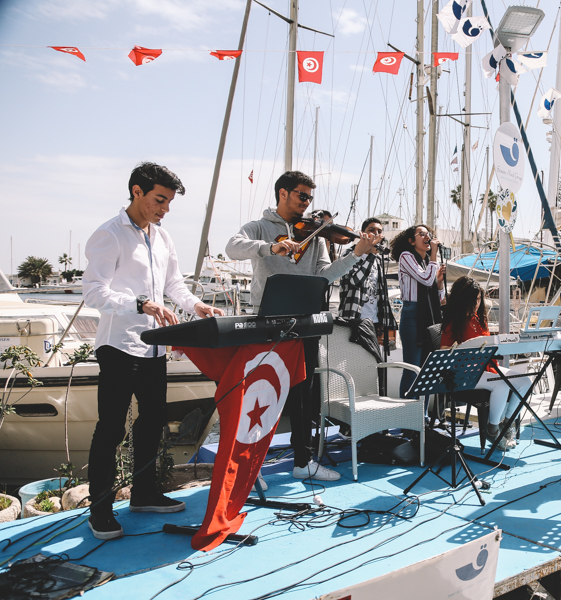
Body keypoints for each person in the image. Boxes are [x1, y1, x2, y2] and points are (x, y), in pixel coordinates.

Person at [83, 162, 224, 540]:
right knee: (111, 428)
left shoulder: (162, 238)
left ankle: (144, 494)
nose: (165, 209)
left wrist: (197, 306)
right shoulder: (109, 234)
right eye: (159, 200)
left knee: (152, 422)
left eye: (169, 202)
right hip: (118, 346)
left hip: (153, 347)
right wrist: (140, 303)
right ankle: (100, 510)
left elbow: (175, 285)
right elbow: (93, 292)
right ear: (137, 191)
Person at [226, 171, 380, 482]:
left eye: (310, 197)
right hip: (269, 319)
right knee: (262, 391)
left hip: (305, 320)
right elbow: (233, 248)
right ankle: (249, 469)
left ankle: (303, 460)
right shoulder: (259, 227)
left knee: (304, 393)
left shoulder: (316, 236)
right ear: (282, 193)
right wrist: (271, 248)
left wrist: (356, 255)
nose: (307, 202)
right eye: (302, 195)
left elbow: (324, 275)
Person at [440, 277, 531, 450]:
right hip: (464, 373)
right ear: (462, 299)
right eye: (473, 299)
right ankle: (492, 429)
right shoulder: (453, 321)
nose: (477, 303)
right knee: (500, 385)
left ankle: (507, 423)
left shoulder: (479, 318)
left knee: (525, 382)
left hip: (485, 368)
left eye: (479, 299)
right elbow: (444, 351)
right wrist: (464, 348)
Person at [390, 224, 445, 398]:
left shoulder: (429, 262)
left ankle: (423, 412)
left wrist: (440, 282)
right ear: (411, 241)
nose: (427, 237)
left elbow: (439, 296)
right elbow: (426, 279)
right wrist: (434, 254)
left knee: (427, 369)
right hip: (413, 314)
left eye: (428, 234)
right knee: (412, 368)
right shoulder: (406, 256)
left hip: (428, 314)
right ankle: (408, 412)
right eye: (421, 234)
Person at [338, 217, 397, 337]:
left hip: (373, 321)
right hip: (354, 318)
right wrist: (371, 255)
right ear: (363, 234)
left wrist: (382, 319)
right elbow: (355, 282)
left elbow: (380, 292)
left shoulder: (377, 260)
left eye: (379, 231)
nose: (376, 234)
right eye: (371, 230)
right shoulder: (350, 254)